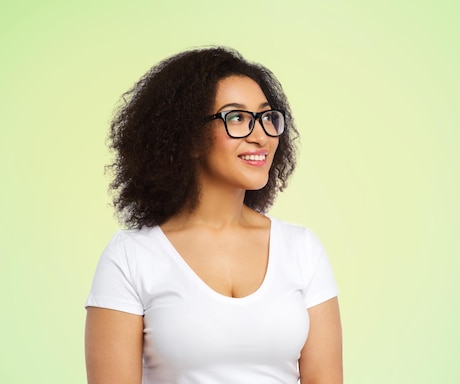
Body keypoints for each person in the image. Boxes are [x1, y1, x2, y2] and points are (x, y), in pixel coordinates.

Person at [84, 46, 342, 384]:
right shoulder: (131, 257)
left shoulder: (302, 249)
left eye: (267, 117)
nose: (260, 135)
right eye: (236, 118)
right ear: (188, 137)